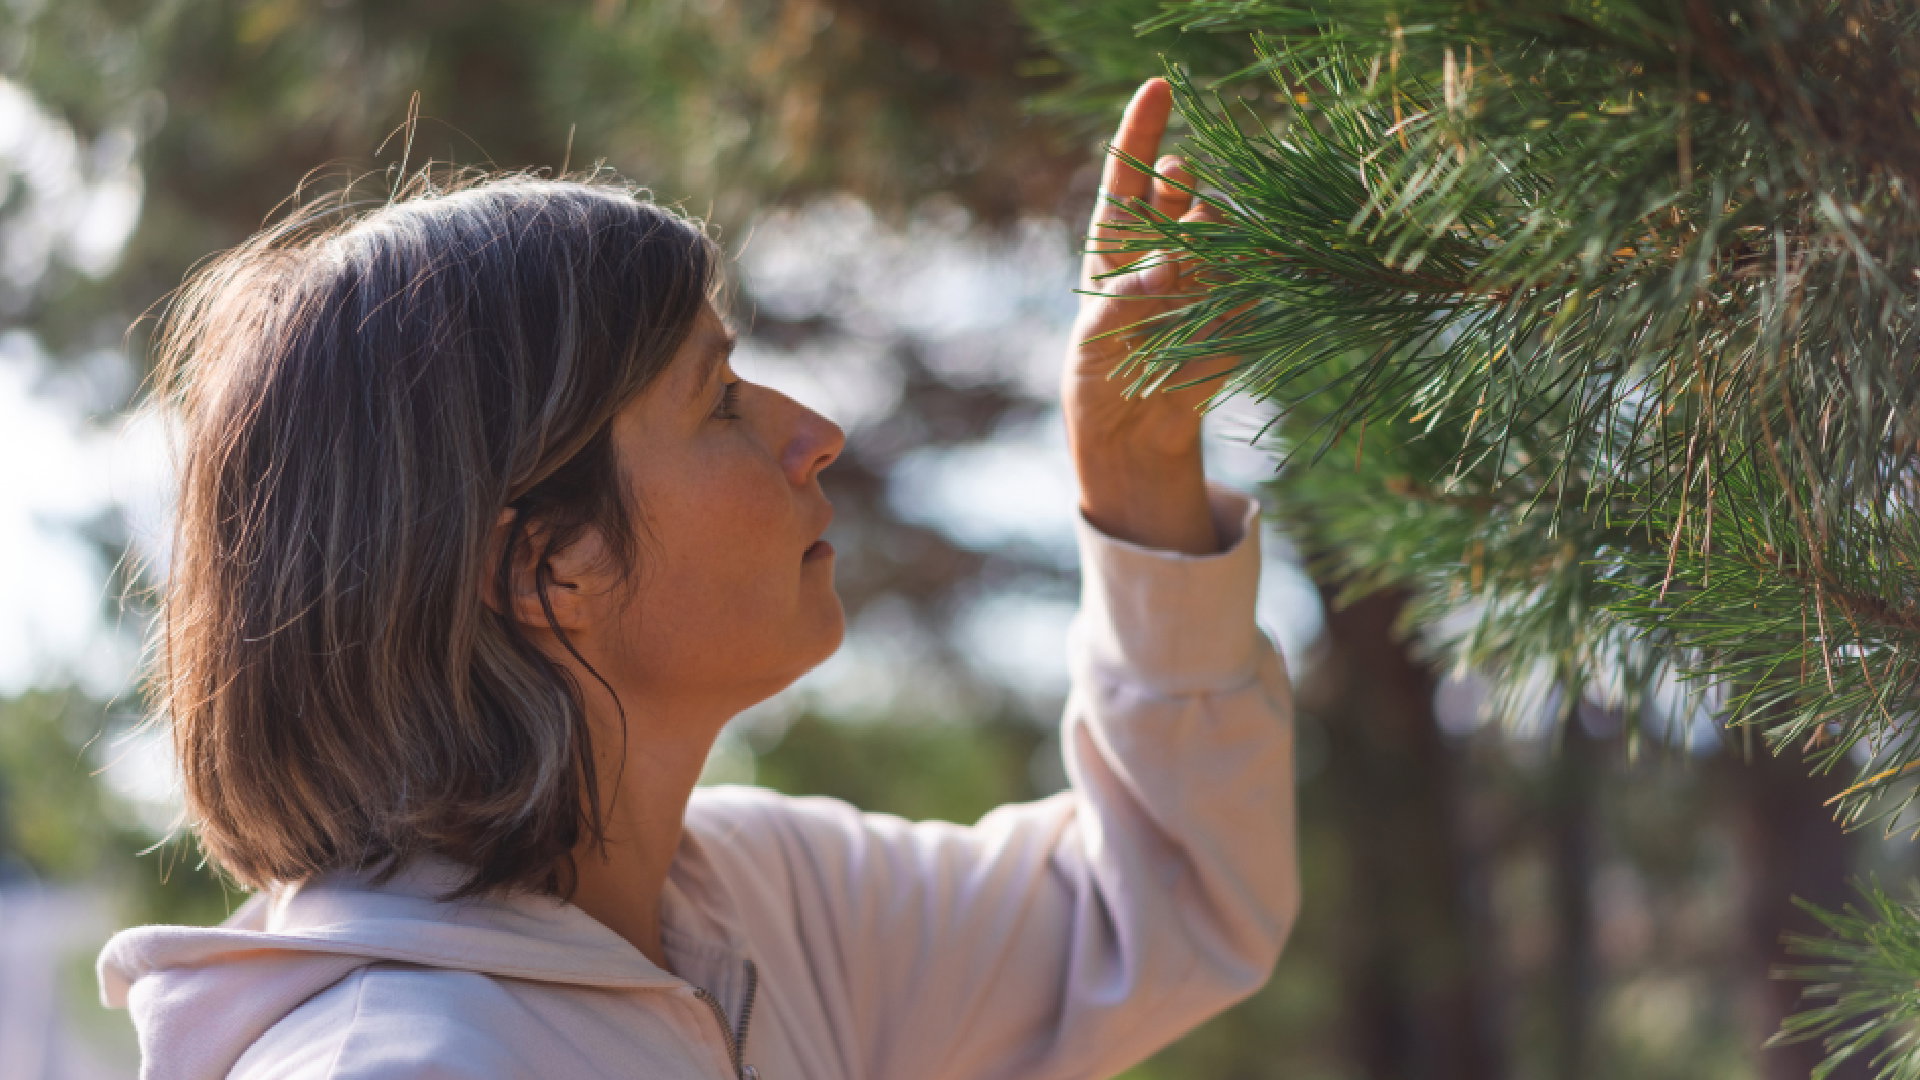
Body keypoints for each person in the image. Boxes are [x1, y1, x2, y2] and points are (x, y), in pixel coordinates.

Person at [97, 76, 1299, 1080]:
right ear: (544, 567)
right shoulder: (405, 1064)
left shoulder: (763, 909)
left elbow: (1152, 911)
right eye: (717, 397)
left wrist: (1137, 481)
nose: (814, 430)